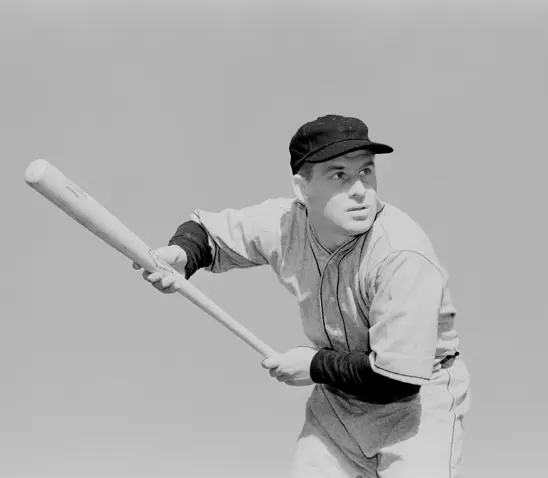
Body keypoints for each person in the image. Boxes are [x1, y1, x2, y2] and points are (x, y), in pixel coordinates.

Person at [132, 114, 471, 477]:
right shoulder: (287, 222)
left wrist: (313, 366)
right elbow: (207, 232)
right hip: (337, 405)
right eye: (339, 175)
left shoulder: (402, 255)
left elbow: (396, 379)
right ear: (302, 188)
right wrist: (182, 257)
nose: (359, 189)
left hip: (417, 406)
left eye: (366, 172)